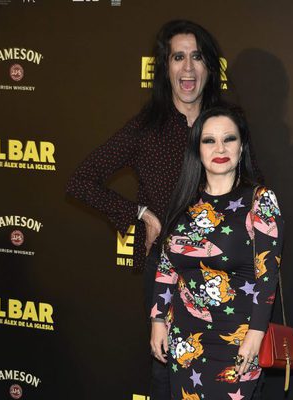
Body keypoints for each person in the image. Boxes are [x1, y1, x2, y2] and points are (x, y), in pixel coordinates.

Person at [66, 20, 261, 400]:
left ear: (208, 67)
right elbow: (80, 180)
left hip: (229, 274)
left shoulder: (226, 125)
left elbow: (254, 193)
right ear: (165, 66)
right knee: (165, 374)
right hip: (167, 276)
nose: (188, 68)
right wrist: (139, 214)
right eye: (178, 57)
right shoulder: (145, 128)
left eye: (197, 57)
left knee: (232, 375)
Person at [150, 106, 284, 399]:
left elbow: (267, 276)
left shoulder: (259, 200)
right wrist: (158, 320)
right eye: (209, 140)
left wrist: (256, 334)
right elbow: (167, 267)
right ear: (197, 149)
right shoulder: (184, 201)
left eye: (229, 139)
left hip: (236, 342)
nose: (220, 148)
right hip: (184, 342)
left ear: (242, 145)